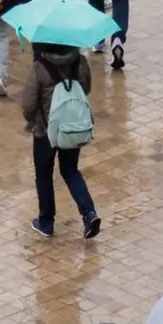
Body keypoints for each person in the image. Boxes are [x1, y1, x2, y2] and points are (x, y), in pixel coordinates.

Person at [19, 37, 103, 237]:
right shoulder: (80, 62)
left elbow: (28, 104)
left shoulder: (40, 67)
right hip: (73, 127)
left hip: (45, 132)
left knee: (44, 174)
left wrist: (32, 121)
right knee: (71, 170)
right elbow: (87, 89)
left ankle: (46, 222)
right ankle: (89, 213)